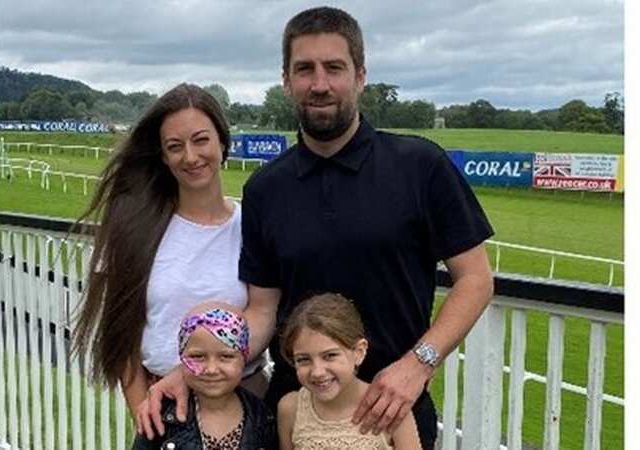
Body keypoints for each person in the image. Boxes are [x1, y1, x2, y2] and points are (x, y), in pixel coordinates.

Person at [148, 7, 494, 449]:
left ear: (360, 75)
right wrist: (192, 369)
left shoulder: (420, 165)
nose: (320, 84)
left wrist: (418, 365)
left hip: (393, 409)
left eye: (334, 67)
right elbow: (262, 310)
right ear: (286, 80)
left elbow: (476, 280)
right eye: (304, 69)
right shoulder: (265, 188)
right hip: (295, 416)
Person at [71, 83, 269, 448]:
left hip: (246, 408)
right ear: (162, 156)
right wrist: (144, 413)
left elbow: (263, 310)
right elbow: (122, 336)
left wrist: (189, 371)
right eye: (175, 147)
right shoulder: (130, 228)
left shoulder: (252, 226)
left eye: (201, 140)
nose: (190, 157)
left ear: (223, 143)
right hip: (165, 411)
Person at [277, 293, 421, 450]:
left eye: (330, 355)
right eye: (303, 359)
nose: (317, 372)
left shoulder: (389, 407)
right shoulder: (291, 408)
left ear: (359, 352)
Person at [144, 302, 277, 450]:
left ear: (244, 358)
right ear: (182, 357)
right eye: (198, 356)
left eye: (226, 356)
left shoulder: (262, 417)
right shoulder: (160, 416)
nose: (211, 369)